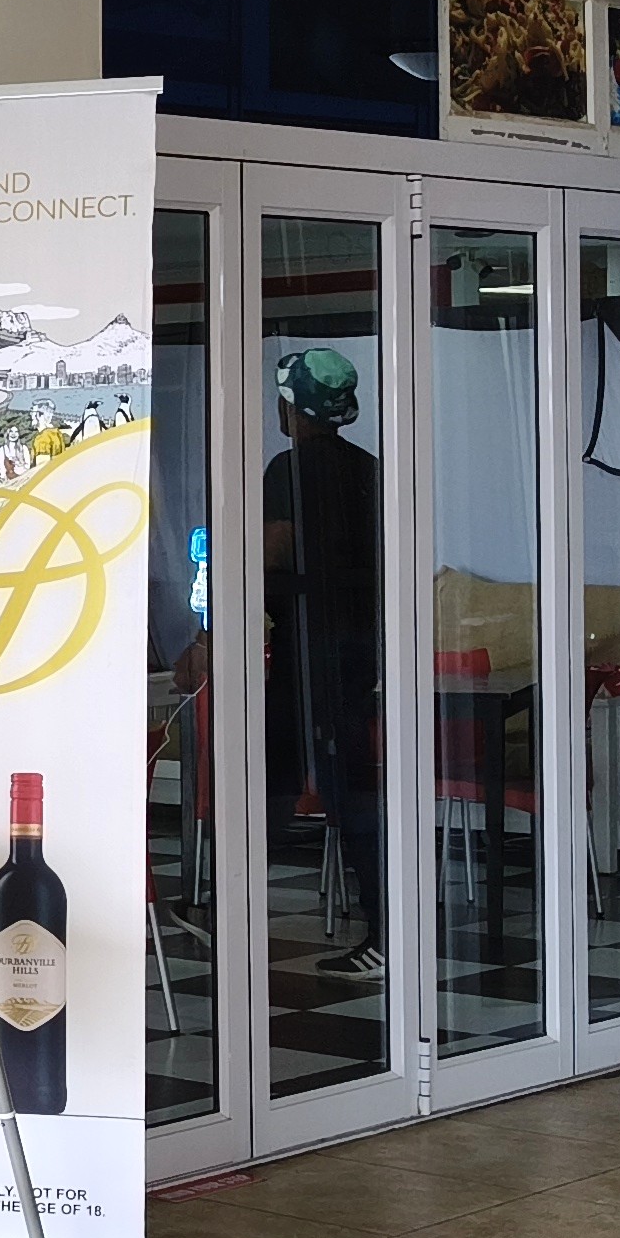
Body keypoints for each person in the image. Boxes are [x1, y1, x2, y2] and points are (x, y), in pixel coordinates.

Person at [262, 346, 387, 975]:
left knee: (283, 779)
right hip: (362, 645)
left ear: (294, 408)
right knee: (344, 781)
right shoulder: (370, 469)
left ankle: (384, 930)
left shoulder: (288, 470)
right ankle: (386, 922)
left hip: (310, 650)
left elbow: (272, 553)